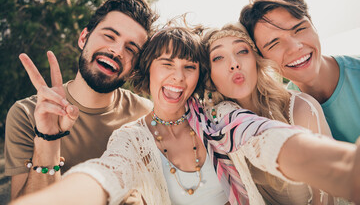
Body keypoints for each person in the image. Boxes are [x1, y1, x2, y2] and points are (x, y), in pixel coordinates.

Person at [10, 22, 360, 205]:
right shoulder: (131, 138)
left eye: (189, 66)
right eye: (166, 64)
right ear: (147, 73)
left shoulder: (217, 116)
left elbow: (264, 138)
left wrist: (345, 168)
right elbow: (106, 175)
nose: (178, 76)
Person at [4, 0, 158, 201]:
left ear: (134, 69)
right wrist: (47, 138)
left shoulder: (146, 117)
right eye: (109, 36)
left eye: (131, 49)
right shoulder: (26, 114)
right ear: (83, 38)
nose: (116, 50)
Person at [201, 22, 338, 204]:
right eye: (218, 58)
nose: (234, 64)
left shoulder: (300, 108)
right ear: (209, 75)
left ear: (256, 59)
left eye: (242, 51)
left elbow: (328, 194)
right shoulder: (214, 125)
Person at [239, 0, 360, 144]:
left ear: (313, 25)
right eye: (274, 43)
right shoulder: (285, 112)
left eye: (299, 29)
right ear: (262, 59)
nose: (295, 47)